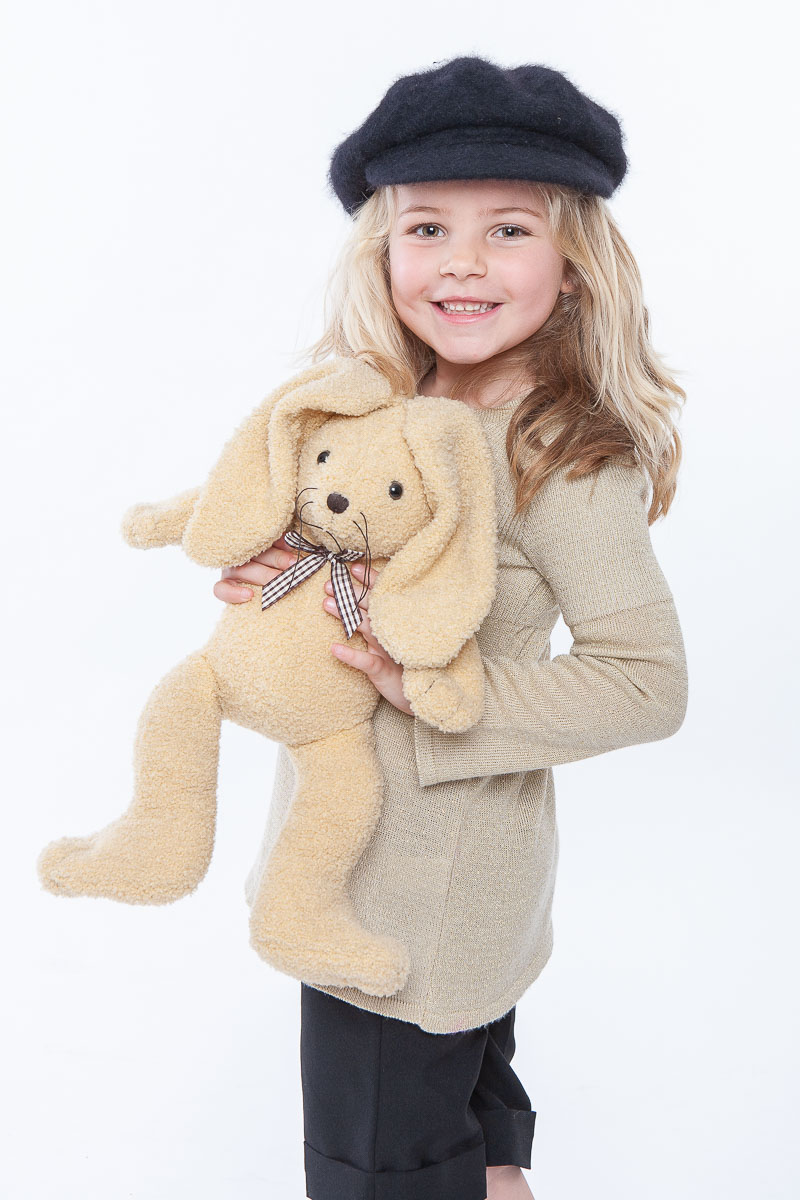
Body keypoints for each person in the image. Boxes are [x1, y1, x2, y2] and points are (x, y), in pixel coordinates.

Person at [215, 56, 689, 1200]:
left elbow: (645, 682)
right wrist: (284, 571)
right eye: (426, 227)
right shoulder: (375, 413)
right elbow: (356, 572)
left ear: (572, 268)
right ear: (380, 253)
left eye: (507, 229)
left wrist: (430, 685)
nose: (461, 261)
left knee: (383, 1171)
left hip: (412, 906)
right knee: (470, 1160)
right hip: (401, 878)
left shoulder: (555, 454)